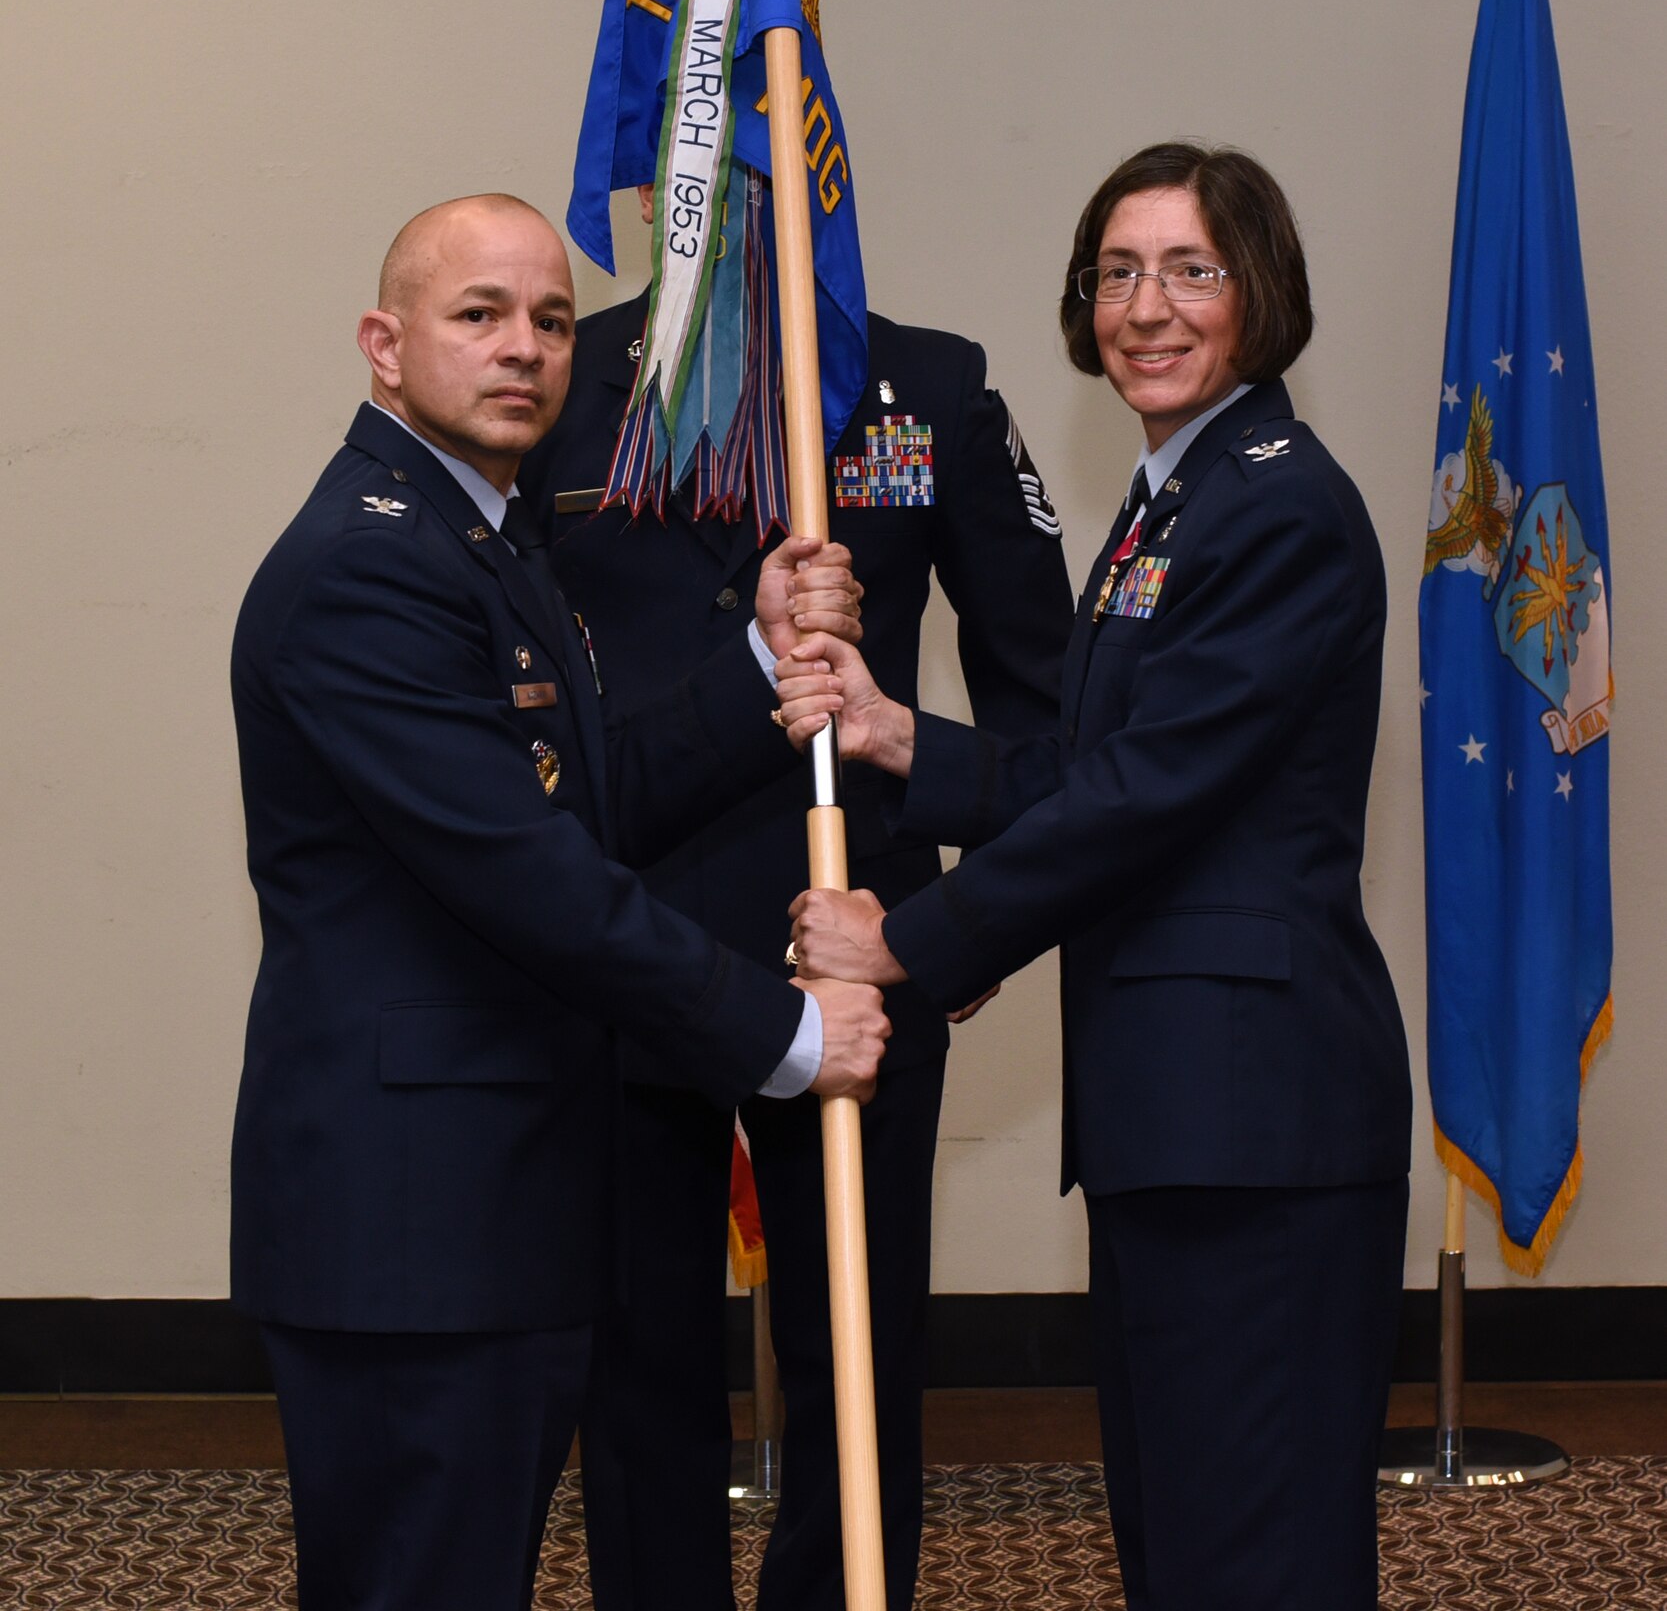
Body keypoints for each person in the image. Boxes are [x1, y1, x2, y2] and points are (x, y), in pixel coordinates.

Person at [228, 192, 892, 1611]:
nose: (525, 349)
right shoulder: (369, 569)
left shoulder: (484, 542)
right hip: (410, 1231)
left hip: (492, 1217)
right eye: (478, 316)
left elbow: (572, 802)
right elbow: (534, 882)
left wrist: (763, 667)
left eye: (546, 319)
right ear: (384, 346)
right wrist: (784, 1033)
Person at [784, 143, 1414, 1611]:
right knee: (1187, 1534)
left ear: (1261, 293)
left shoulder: (1273, 507)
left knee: (1253, 1550)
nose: (1147, 307)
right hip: (1179, 1112)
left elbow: (1146, 798)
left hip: (1255, 1119)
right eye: (1117, 272)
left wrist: (907, 939)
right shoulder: (1168, 502)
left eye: (1191, 269)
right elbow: (1095, 766)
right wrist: (896, 740)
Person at [515, 194, 1075, 1611]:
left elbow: (1053, 710)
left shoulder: (925, 387)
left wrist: (983, 907)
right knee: (637, 1353)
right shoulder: (570, 379)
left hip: (856, 937)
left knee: (860, 1345)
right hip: (630, 938)